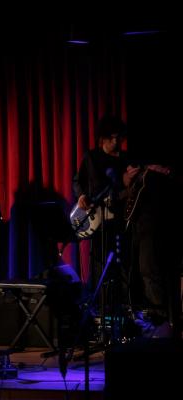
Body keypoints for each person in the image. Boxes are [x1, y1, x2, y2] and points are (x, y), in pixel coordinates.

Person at [73, 115, 129, 295]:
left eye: (119, 137)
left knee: (121, 262)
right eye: (112, 137)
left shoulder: (125, 159)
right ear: (103, 138)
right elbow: (77, 181)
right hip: (97, 221)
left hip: (120, 219)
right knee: (99, 262)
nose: (116, 141)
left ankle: (121, 301)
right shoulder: (91, 157)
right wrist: (81, 195)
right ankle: (98, 301)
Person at [124, 159, 179, 338]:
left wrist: (166, 171)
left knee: (151, 272)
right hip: (141, 225)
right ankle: (151, 320)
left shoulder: (159, 176)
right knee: (142, 272)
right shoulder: (141, 171)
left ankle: (161, 321)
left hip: (157, 226)